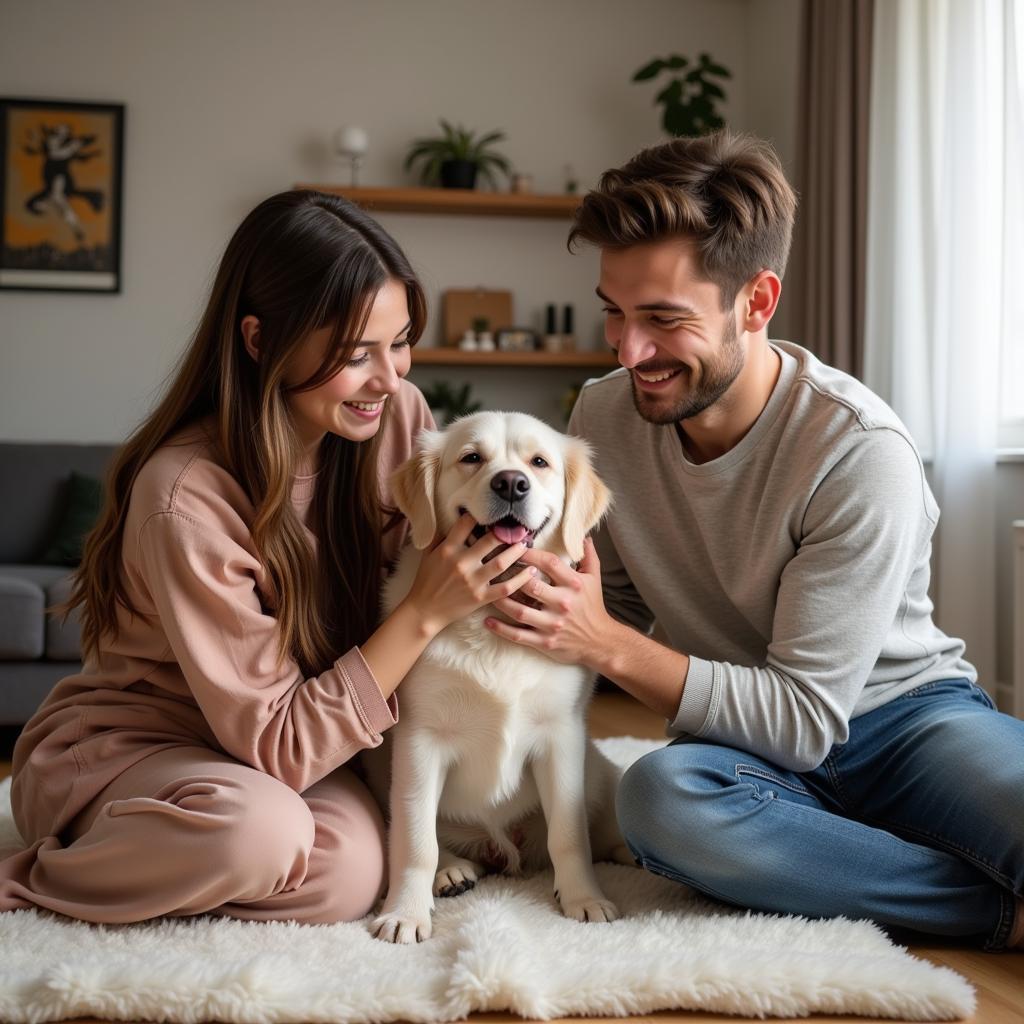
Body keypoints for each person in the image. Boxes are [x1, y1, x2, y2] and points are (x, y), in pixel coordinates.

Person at [484, 131, 1024, 952]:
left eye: (664, 320)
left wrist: (607, 644)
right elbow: (609, 601)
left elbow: (805, 718)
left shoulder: (858, 450)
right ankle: (996, 913)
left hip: (905, 722)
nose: (631, 352)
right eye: (615, 314)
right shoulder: (602, 416)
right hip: (739, 754)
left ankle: (845, 862)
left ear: (757, 302)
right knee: (661, 802)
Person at [0, 189, 534, 925]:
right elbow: (285, 741)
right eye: (356, 354)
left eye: (401, 341)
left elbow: (453, 563)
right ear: (259, 340)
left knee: (350, 872)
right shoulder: (184, 496)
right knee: (260, 834)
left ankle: (182, 866)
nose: (390, 377)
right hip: (139, 748)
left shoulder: (395, 419)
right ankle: (31, 880)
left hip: (281, 752)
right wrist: (424, 611)